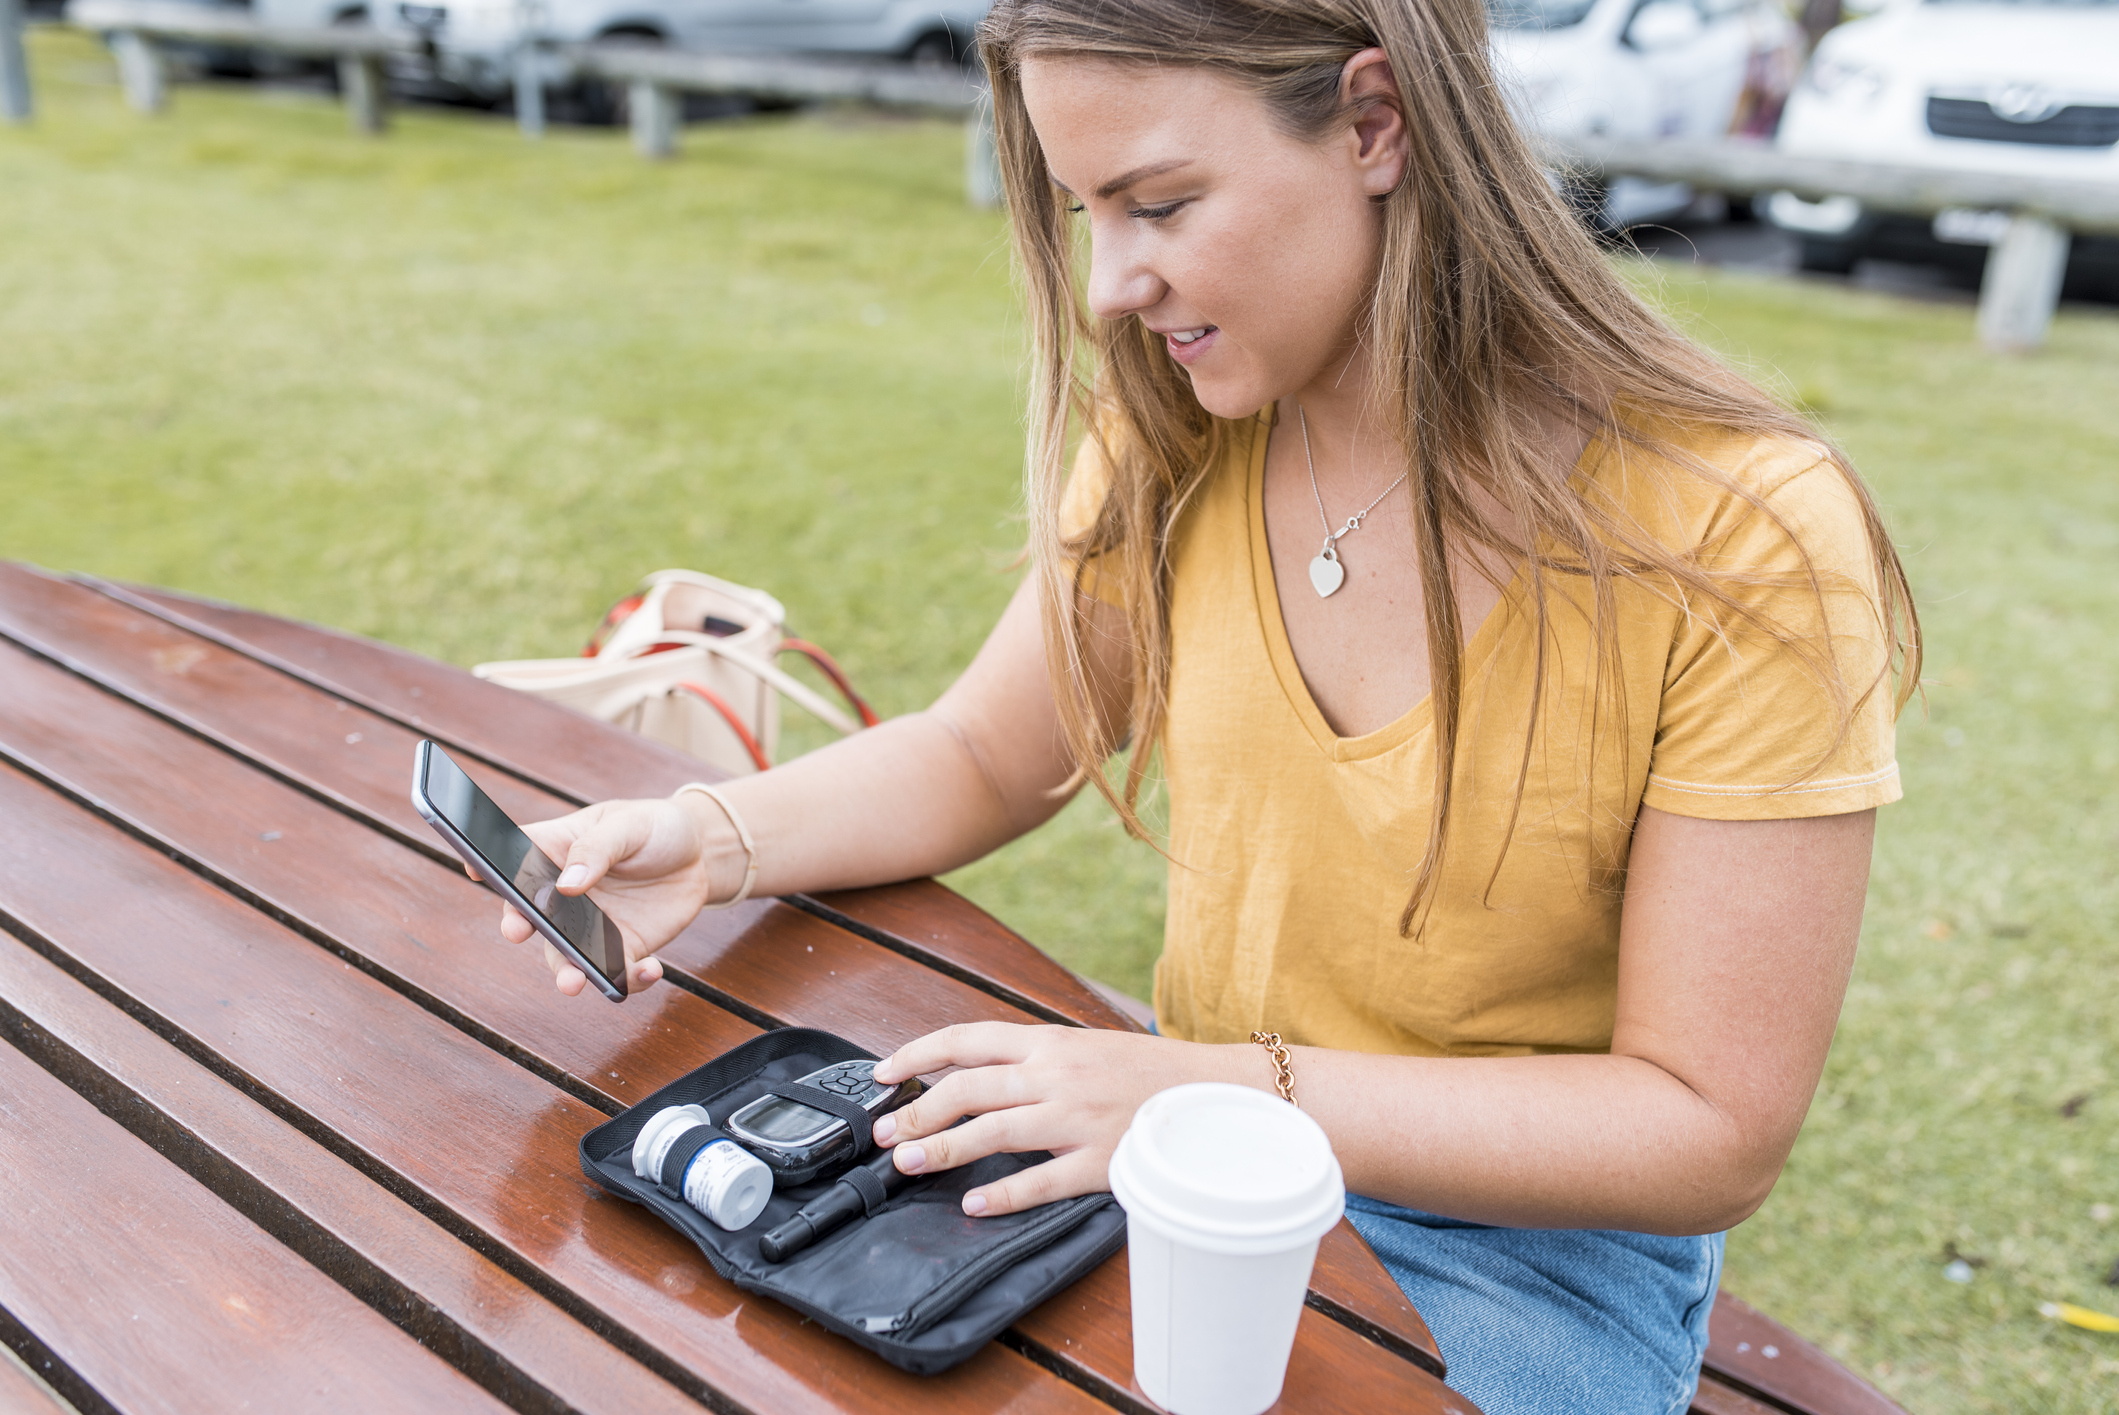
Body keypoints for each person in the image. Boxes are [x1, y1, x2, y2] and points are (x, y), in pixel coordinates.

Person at [498, 0, 1918, 1408]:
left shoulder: (1740, 533)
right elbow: (990, 748)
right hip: (1172, 1165)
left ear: (1377, 125)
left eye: (1159, 204)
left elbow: (1707, 1128)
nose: (1113, 283)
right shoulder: (1183, 425)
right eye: (1086, 215)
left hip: (1511, 1258)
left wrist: (1202, 1093)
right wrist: (716, 837)